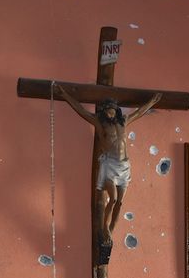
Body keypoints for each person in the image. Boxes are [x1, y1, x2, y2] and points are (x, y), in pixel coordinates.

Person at [55, 84, 161, 244]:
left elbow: (139, 112)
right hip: (110, 165)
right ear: (103, 111)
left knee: (120, 202)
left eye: (111, 110)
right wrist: (65, 95)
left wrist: (152, 102)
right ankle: (105, 227)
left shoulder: (124, 121)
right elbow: (81, 110)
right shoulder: (100, 123)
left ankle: (110, 231)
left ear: (116, 110)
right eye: (106, 110)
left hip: (124, 166)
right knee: (113, 198)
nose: (109, 113)